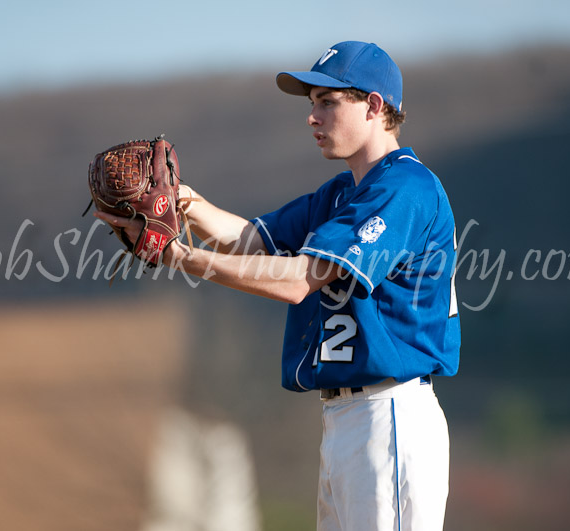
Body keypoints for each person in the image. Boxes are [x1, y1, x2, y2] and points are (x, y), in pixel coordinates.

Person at [96, 40, 461, 531]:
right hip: (345, 423)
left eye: (328, 102)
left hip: (389, 414)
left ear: (375, 106)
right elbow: (251, 241)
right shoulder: (340, 194)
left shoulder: (405, 189)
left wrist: (178, 255)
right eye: (312, 103)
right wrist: (186, 203)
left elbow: (297, 281)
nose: (312, 116)